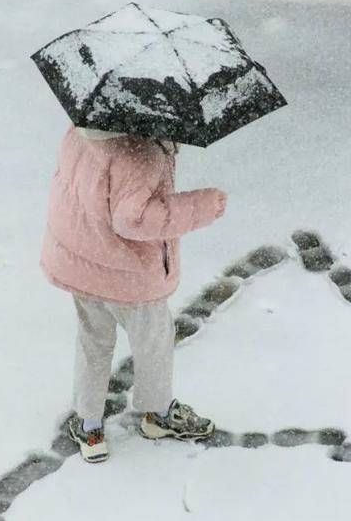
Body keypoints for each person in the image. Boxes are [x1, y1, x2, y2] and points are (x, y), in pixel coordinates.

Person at [40, 125, 226, 463]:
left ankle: (89, 423)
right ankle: (158, 414)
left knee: (93, 340)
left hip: (82, 263)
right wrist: (202, 206)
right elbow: (134, 219)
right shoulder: (141, 153)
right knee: (154, 339)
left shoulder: (79, 133)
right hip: (129, 275)